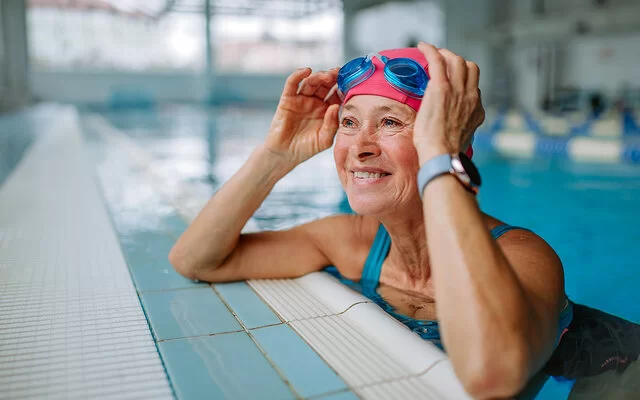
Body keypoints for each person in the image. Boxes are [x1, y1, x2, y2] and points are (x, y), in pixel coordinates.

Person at [169, 43, 572, 399]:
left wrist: (439, 154)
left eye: (391, 122)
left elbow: (492, 376)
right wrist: (277, 155)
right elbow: (197, 260)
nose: (359, 148)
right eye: (350, 122)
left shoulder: (523, 256)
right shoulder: (353, 242)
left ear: (452, 146)